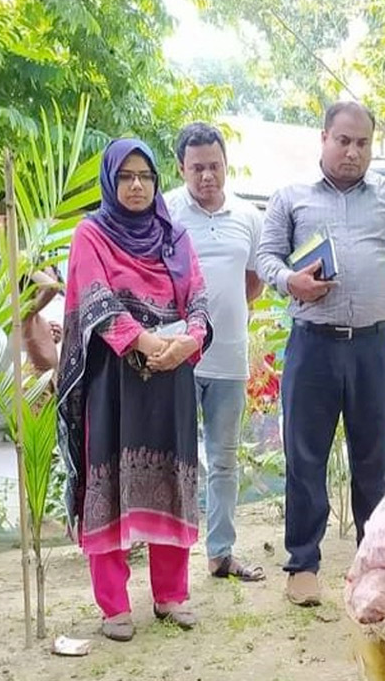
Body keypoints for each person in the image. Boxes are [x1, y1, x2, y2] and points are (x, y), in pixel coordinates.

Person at [256, 101, 385, 607]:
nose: (352, 151)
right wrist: (288, 280)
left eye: (362, 143)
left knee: (375, 462)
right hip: (311, 347)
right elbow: (266, 255)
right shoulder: (290, 197)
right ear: (323, 138)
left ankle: (377, 562)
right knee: (304, 458)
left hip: (371, 347)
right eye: (343, 141)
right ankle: (303, 564)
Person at [56, 138, 212, 642]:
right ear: (110, 181)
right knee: (109, 482)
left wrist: (189, 341)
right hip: (116, 379)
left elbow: (200, 299)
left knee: (173, 476)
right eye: (126, 176)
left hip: (172, 378)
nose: (138, 185)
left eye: (145, 175)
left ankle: (172, 595)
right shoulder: (91, 234)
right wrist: (145, 341)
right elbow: (97, 301)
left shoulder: (175, 237)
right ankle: (114, 607)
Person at [166, 122, 266, 582]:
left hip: (228, 358)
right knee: (176, 460)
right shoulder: (165, 210)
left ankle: (221, 552)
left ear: (226, 165)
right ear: (181, 168)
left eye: (215, 166)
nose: (207, 176)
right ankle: (172, 561)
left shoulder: (248, 216)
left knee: (223, 460)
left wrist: (224, 317)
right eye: (197, 168)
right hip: (176, 359)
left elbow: (253, 283)